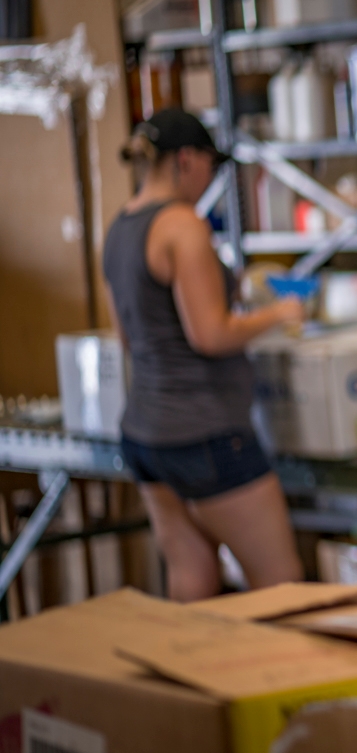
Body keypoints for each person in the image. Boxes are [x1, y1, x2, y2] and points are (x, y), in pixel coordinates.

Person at [103, 109, 304, 601]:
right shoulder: (181, 228)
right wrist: (280, 313)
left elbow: (126, 339)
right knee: (283, 587)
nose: (210, 178)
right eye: (210, 165)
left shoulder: (120, 228)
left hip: (147, 435)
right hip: (204, 432)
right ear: (186, 160)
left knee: (191, 578)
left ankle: (192, 673)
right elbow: (210, 335)